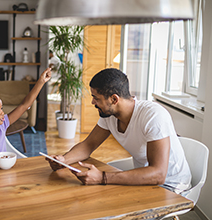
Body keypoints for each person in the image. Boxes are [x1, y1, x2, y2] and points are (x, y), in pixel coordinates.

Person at [45, 68, 191, 194]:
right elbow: (88, 145)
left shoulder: (153, 116)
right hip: (144, 180)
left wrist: (103, 177)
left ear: (114, 99)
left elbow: (159, 175)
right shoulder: (110, 115)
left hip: (171, 186)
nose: (93, 103)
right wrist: (64, 160)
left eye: (96, 98)